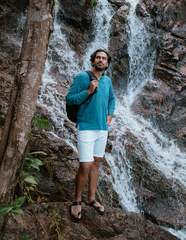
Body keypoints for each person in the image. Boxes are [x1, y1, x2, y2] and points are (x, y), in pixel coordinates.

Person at [66, 49, 115, 221]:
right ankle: (77, 200)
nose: (101, 60)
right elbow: (69, 99)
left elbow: (112, 99)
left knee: (96, 163)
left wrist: (110, 116)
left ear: (107, 63)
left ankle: (91, 198)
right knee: (85, 165)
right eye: (98, 58)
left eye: (104, 58)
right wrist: (87, 91)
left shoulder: (108, 81)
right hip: (86, 127)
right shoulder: (82, 77)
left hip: (102, 128)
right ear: (93, 61)